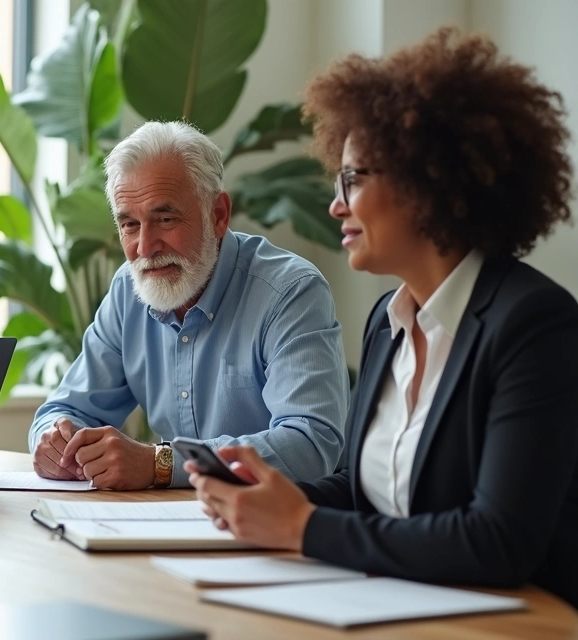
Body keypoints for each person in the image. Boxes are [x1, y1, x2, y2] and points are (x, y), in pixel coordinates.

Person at [189, 28, 578, 609]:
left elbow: (498, 542)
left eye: (353, 178)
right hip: (395, 608)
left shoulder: (534, 326)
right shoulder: (387, 321)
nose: (335, 204)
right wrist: (267, 492)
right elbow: (365, 490)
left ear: (427, 180)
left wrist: (300, 527)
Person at [29, 121, 350, 490]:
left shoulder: (290, 292)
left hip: (275, 530)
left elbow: (310, 444)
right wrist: (52, 441)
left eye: (165, 219)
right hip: (172, 525)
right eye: (130, 225)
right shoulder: (127, 292)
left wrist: (161, 464)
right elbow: (63, 411)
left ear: (218, 216)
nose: (145, 247)